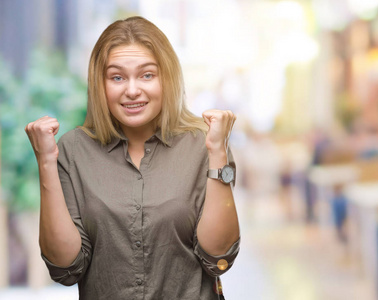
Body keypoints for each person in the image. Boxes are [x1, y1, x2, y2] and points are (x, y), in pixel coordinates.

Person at [25, 16, 240, 299]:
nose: (132, 90)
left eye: (147, 75)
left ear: (167, 78)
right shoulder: (73, 150)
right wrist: (45, 162)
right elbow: (65, 268)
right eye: (117, 77)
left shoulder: (203, 145)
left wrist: (217, 154)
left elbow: (218, 258)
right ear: (100, 84)